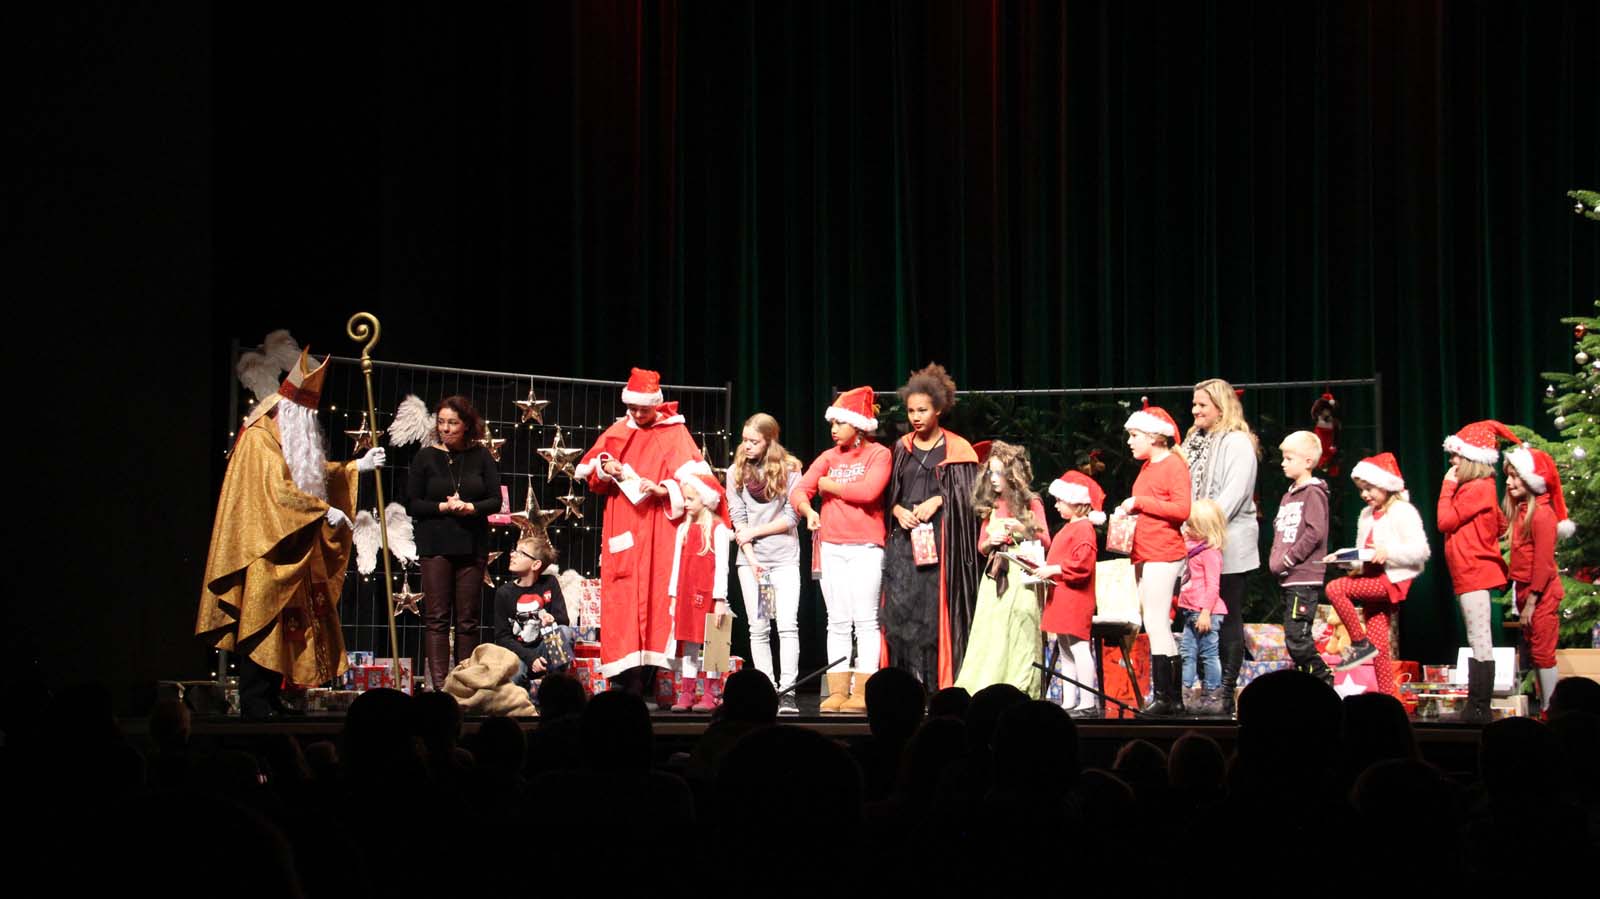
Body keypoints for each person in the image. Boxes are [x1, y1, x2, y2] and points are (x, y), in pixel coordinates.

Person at [197, 348, 386, 719]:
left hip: (286, 546)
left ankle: (269, 696)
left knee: (287, 627)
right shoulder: (259, 439)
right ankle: (255, 699)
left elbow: (306, 472)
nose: (309, 428)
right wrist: (324, 509)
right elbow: (278, 490)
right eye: (306, 417)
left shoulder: (279, 436)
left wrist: (354, 467)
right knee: (262, 620)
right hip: (263, 547)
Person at [573, 367, 704, 692]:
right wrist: (606, 467)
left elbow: (699, 485)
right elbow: (593, 478)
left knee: (660, 600)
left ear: (656, 405)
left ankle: (654, 679)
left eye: (643, 409)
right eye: (632, 408)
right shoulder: (618, 431)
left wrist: (664, 489)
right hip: (625, 526)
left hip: (661, 528)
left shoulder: (675, 433)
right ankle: (626, 681)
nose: (637, 414)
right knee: (623, 601)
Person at [791, 386, 892, 714]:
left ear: (858, 425)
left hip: (865, 548)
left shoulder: (879, 455)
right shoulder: (828, 457)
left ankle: (863, 691)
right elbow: (799, 490)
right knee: (837, 621)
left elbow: (869, 491)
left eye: (839, 422)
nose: (833, 429)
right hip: (831, 547)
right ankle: (837, 691)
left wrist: (829, 485)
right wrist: (809, 511)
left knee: (865, 621)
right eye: (832, 423)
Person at [883, 363, 982, 688]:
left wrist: (939, 500)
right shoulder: (902, 448)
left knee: (934, 612)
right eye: (911, 411)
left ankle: (939, 683)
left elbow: (970, 497)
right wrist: (898, 510)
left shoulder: (958, 448)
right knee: (906, 611)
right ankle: (908, 683)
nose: (915, 417)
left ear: (938, 409)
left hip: (942, 541)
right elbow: (889, 494)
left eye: (922, 410)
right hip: (905, 541)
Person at [403, 394, 502, 691]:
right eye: (442, 422)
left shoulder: (481, 456)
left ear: (466, 425)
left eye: (453, 423)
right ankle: (440, 687)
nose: (445, 428)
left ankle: (464, 685)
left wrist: (471, 507)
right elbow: (412, 503)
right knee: (437, 618)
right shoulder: (425, 457)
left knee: (467, 619)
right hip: (435, 546)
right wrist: (443, 507)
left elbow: (495, 500)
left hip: (471, 545)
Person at [1180, 378, 1260, 716]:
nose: (1195, 410)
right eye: (1194, 404)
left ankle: (1224, 693)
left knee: (1225, 616)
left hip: (1226, 541)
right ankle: (1203, 689)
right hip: (1195, 543)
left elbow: (1235, 493)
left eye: (1202, 405)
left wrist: (1201, 528)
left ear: (1221, 407)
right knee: (1196, 619)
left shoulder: (1237, 442)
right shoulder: (1194, 442)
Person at [1325, 453, 1431, 698]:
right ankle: (1388, 699)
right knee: (1380, 646)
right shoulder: (1366, 515)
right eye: (1361, 490)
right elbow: (1363, 554)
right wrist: (1342, 558)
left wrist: (1388, 552)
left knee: (1335, 589)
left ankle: (1359, 643)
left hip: (1389, 580)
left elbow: (1421, 551)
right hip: (1370, 576)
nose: (1365, 494)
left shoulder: (1403, 511)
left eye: (1369, 488)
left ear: (1385, 485)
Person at [955, 441, 1050, 696]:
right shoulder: (993, 506)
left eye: (999, 472)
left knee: (1021, 628)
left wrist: (1022, 528)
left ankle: (1020, 688)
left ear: (1012, 474)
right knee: (992, 630)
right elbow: (981, 546)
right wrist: (991, 541)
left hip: (1022, 574)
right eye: (991, 472)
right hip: (995, 576)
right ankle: (987, 688)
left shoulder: (1031, 502)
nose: (993, 478)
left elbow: (1046, 540)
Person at [1114, 402, 1191, 716]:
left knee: (1157, 620)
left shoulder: (1173, 465)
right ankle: (1171, 699)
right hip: (1145, 552)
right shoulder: (1147, 467)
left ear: (1155, 437)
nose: (1130, 441)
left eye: (1135, 435)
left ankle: (1165, 697)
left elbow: (1182, 509)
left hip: (1163, 551)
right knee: (1155, 620)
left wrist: (1140, 503)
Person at [1439, 420, 1519, 722]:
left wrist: (1447, 487)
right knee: (1478, 636)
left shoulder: (1476, 488)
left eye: (1456, 456)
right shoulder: (1480, 489)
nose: (1452, 462)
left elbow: (1444, 521)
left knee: (1480, 638)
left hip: (1474, 571)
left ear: (1471, 459)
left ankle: (1479, 706)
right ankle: (1477, 706)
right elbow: (1499, 524)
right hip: (1469, 570)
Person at [725, 413, 804, 715]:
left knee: (787, 626)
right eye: (744, 440)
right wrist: (753, 560)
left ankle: (787, 692)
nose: (747, 446)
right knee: (759, 628)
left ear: (769, 441)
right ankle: (767, 690)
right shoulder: (736, 472)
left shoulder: (789, 469)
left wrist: (755, 533)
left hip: (783, 561)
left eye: (754, 441)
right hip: (754, 564)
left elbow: (791, 517)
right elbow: (738, 518)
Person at [1501, 444, 1572, 712]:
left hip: (1541, 593)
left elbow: (1543, 564)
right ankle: (1545, 707)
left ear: (1530, 480)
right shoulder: (1522, 512)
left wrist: (1531, 602)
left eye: (1514, 477)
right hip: (1526, 591)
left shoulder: (1542, 515)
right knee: (1534, 651)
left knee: (1543, 652)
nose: (1508, 482)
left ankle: (1551, 709)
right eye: (1508, 476)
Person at [1035, 470, 1105, 718]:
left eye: (1060, 501)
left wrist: (1054, 569)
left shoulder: (1084, 529)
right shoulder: (1070, 527)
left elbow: (1082, 565)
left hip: (1075, 598)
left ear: (1076, 503)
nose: (1056, 505)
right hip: (1062, 595)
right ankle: (1069, 701)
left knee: (1079, 647)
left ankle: (1087, 702)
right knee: (1065, 649)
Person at [666, 463, 733, 712]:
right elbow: (676, 565)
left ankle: (711, 693)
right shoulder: (683, 529)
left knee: (714, 641)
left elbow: (722, 567)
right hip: (686, 593)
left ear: (705, 500)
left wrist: (720, 599)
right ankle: (687, 692)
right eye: (685, 499)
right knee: (689, 644)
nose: (686, 504)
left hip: (711, 595)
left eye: (690, 499)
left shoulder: (718, 529)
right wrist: (673, 596)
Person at [1269, 430, 1332, 685]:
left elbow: (1315, 532)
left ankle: (1324, 682)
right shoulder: (1289, 495)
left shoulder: (1313, 493)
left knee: (1298, 639)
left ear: (1307, 461)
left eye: (1289, 458)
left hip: (1303, 578)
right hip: (1289, 578)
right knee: (1294, 639)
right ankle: (1310, 687)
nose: (1283, 463)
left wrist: (1288, 560)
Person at [491, 533, 570, 690]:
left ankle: (556, 686)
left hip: (544, 649)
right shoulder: (504, 593)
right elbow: (502, 637)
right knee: (513, 677)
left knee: (564, 632)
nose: (512, 554)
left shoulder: (550, 583)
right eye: (514, 550)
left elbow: (563, 621)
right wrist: (530, 658)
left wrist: (551, 621)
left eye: (520, 553)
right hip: (519, 653)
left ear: (535, 564)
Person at [1177, 499, 1227, 715]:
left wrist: (1206, 612)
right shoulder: (1193, 549)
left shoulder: (1210, 553)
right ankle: (1185, 695)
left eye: (1191, 526)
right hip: (1191, 611)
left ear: (1204, 528)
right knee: (1187, 653)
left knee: (1209, 654)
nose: (1187, 529)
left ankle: (1213, 697)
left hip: (1206, 613)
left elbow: (1213, 586)